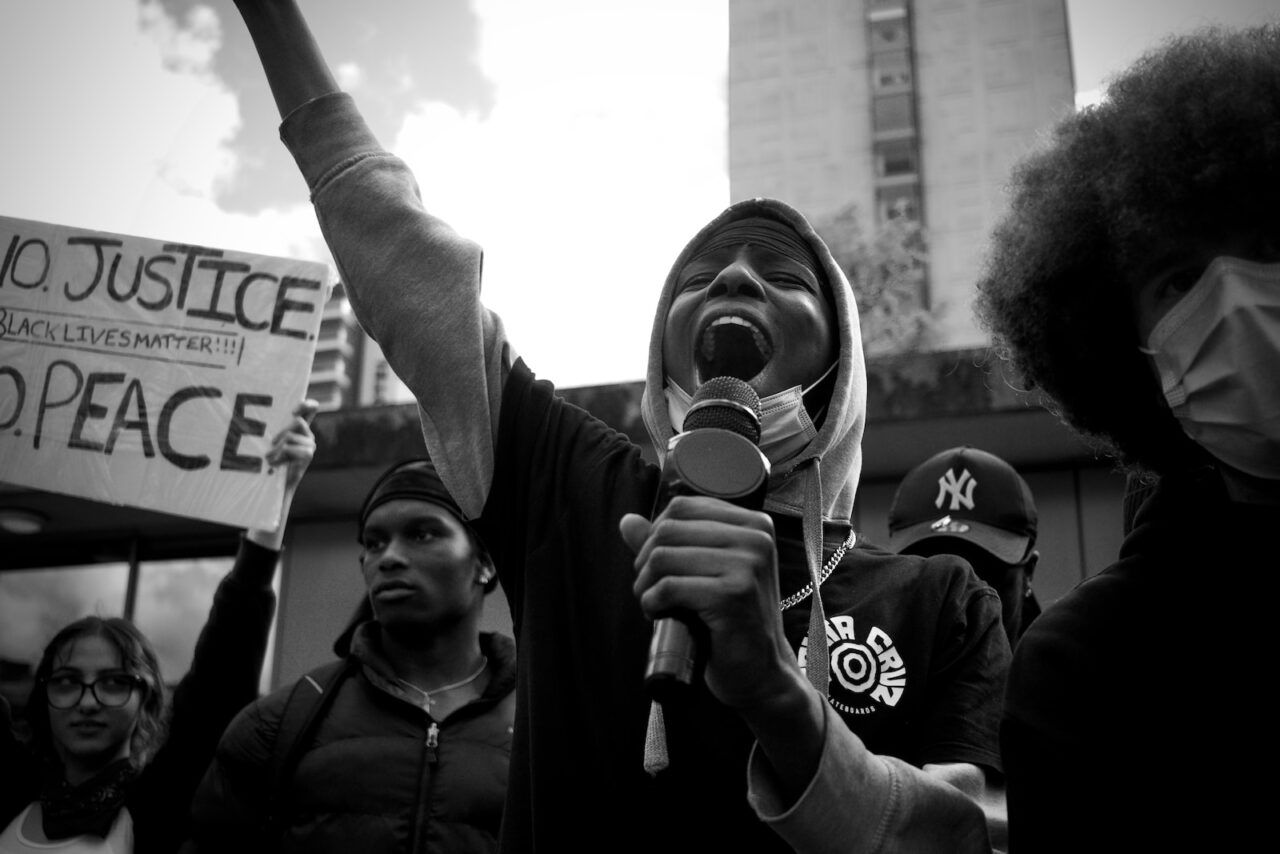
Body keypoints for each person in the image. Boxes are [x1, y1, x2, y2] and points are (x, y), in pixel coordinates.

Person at [231, 3, 1010, 851]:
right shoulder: (566, 485)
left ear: (843, 365)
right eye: (699, 276)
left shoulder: (942, 603)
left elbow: (967, 835)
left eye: (781, 273)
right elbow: (408, 261)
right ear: (662, 355)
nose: (736, 277)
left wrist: (778, 694)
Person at [974, 24, 1279, 852]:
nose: (1241, 302)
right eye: (1179, 279)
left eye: (1270, 245)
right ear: (1125, 349)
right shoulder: (1089, 669)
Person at [0, 402, 317, 854]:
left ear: (146, 699)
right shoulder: (11, 792)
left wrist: (273, 503)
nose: (87, 702)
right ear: (42, 696)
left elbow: (221, 672)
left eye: (112, 683)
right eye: (68, 682)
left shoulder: (163, 801)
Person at [184, 457, 517, 853]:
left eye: (422, 534)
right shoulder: (281, 724)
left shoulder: (551, 725)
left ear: (484, 562)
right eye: (374, 543)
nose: (388, 557)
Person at [887, 446, 1041, 647]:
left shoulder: (1067, 671)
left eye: (983, 574)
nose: (958, 602)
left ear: (1028, 574)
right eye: (932, 576)